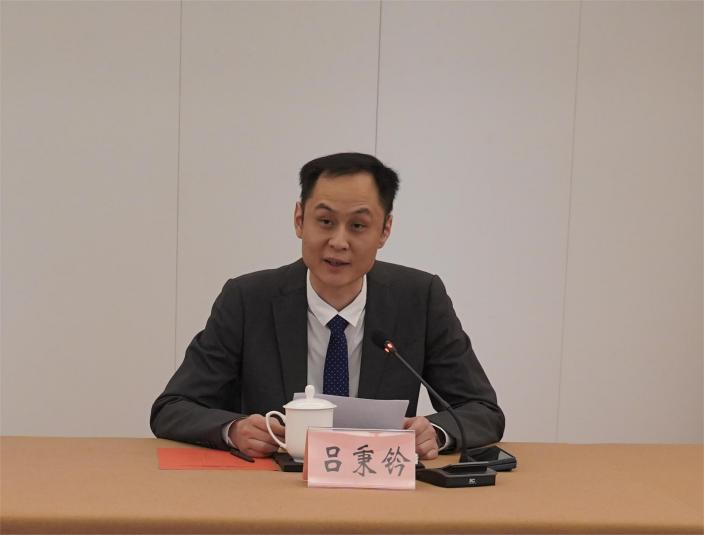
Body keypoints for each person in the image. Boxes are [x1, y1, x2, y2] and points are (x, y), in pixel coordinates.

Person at [151, 152, 504, 460]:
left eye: (358, 226)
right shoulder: (247, 299)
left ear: (385, 231)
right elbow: (172, 408)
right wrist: (233, 429)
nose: (338, 242)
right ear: (299, 220)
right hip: (273, 491)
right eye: (325, 222)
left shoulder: (420, 298)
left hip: (379, 490)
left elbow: (482, 410)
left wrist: (436, 433)